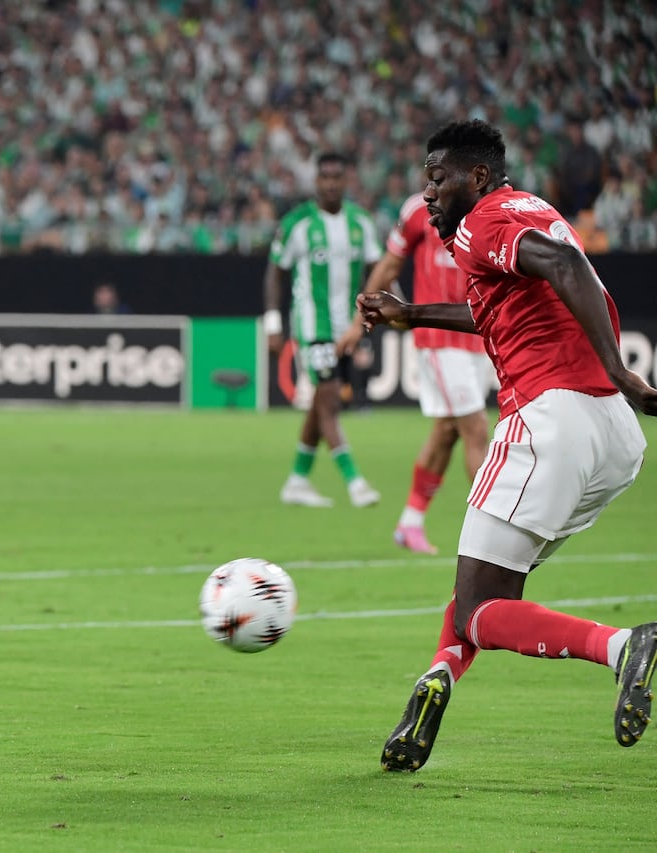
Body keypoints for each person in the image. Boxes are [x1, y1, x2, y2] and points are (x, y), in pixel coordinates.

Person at [357, 119, 657, 772]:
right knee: (486, 580)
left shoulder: (482, 220)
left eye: (438, 179)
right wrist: (412, 312)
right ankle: (437, 675)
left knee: (481, 607)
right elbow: (503, 303)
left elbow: (565, 265)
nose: (428, 194)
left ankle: (621, 643)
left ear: (479, 177)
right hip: (611, 441)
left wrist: (618, 367)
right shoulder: (532, 210)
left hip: (550, 418)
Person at [338, 191, 492, 554]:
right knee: (476, 428)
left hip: (475, 334)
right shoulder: (418, 209)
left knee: (446, 432)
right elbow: (388, 268)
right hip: (439, 337)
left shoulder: (486, 207)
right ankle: (491, 535)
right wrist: (358, 323)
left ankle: (410, 523)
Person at [264, 152, 382, 509]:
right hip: (311, 325)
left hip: (347, 328)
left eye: (337, 176)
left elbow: (379, 269)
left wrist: (394, 309)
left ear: (346, 180)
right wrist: (273, 322)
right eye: (324, 177)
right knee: (329, 397)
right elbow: (275, 272)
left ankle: (297, 480)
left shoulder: (361, 222)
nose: (330, 183)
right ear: (316, 181)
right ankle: (354, 481)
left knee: (322, 404)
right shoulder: (298, 223)